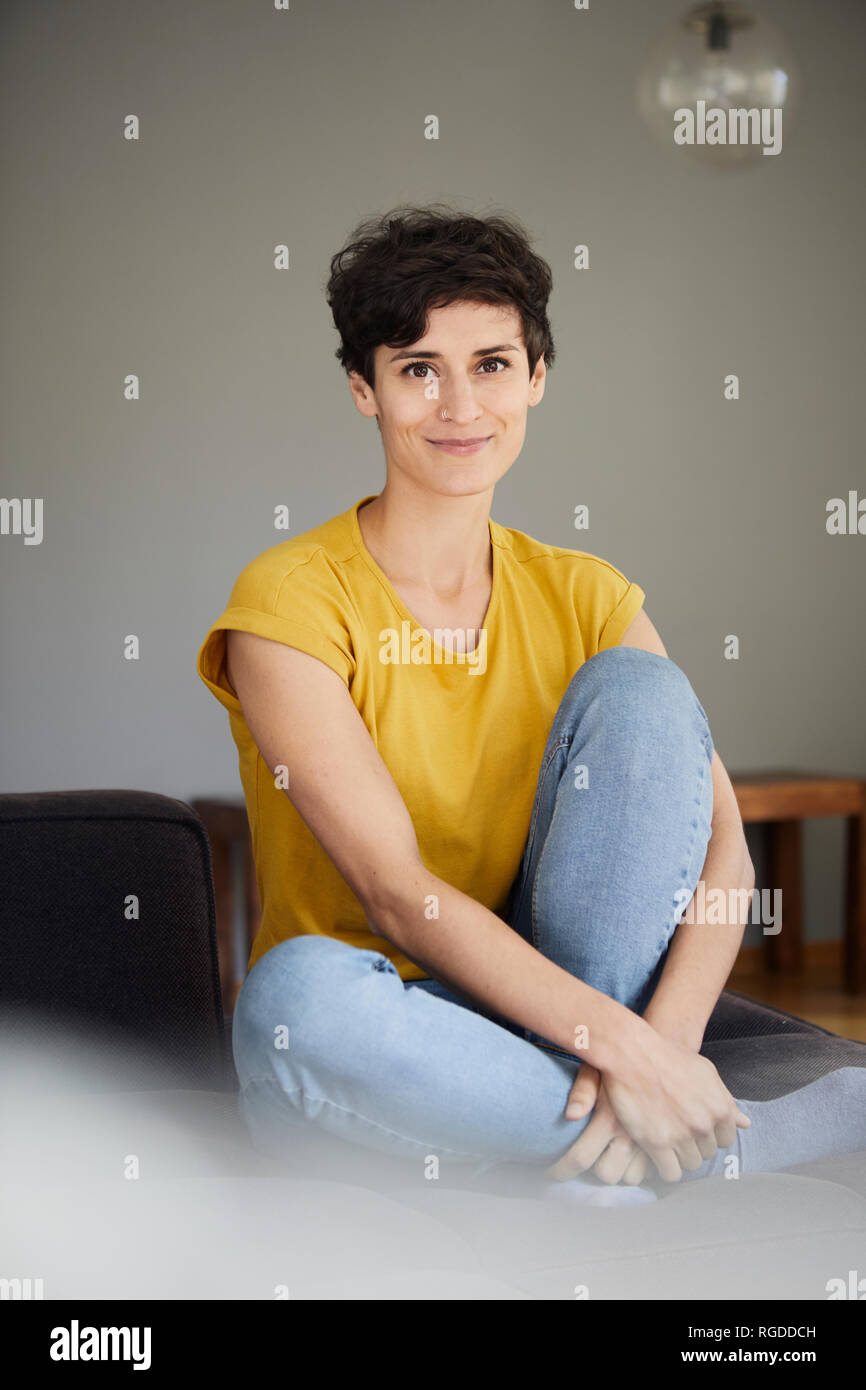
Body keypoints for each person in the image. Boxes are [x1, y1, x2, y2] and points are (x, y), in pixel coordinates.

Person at [197, 204, 866, 1203]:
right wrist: (631, 1068)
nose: (459, 404)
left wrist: (658, 1055)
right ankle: (706, 1149)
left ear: (536, 376)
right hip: (393, 1035)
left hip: (570, 1018)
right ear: (363, 390)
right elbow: (392, 891)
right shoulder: (288, 600)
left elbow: (722, 852)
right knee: (291, 998)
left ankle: (599, 1151)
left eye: (492, 364)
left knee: (640, 689)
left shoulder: (590, 596)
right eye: (417, 368)